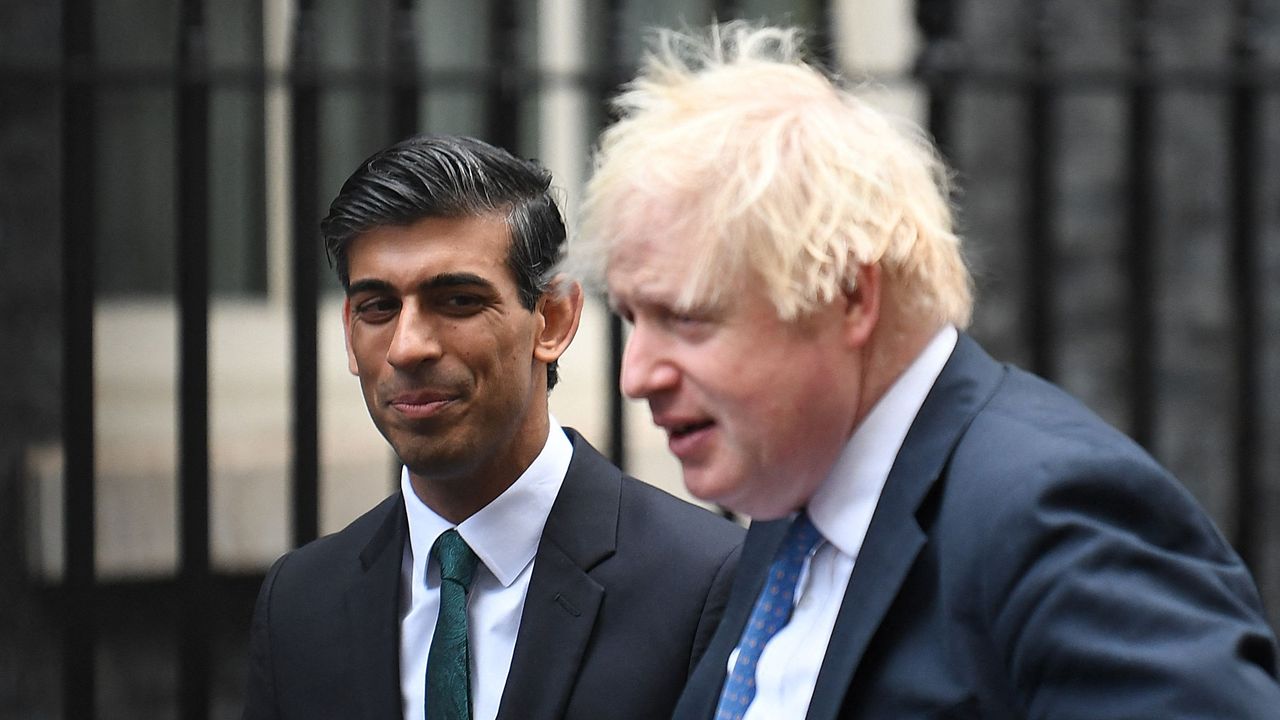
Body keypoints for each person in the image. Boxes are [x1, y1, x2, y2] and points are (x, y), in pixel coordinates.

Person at [573, 22, 1280, 720]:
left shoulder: (1055, 514)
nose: (636, 375)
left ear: (849, 295)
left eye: (687, 318)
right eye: (632, 319)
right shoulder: (793, 510)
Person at [242, 134, 743, 720]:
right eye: (378, 307)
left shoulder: (703, 582)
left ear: (553, 318)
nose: (408, 347)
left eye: (456, 300)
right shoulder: (299, 602)